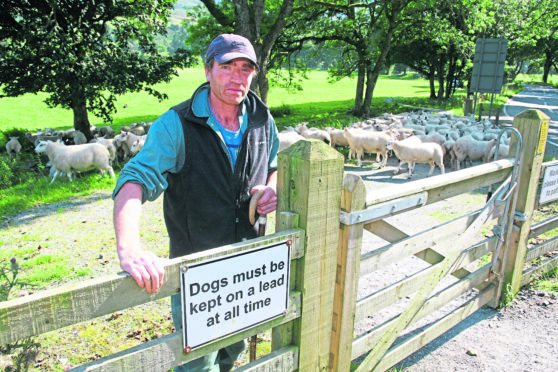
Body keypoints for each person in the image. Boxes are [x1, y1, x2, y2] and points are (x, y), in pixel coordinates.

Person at [113, 33, 280, 372]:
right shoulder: (177, 124)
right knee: (197, 363)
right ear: (208, 70)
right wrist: (129, 249)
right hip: (198, 275)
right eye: (227, 67)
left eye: (246, 69)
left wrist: (269, 188)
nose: (237, 77)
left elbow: (274, 164)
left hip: (249, 267)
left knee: (232, 349)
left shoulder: (263, 120)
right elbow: (133, 180)